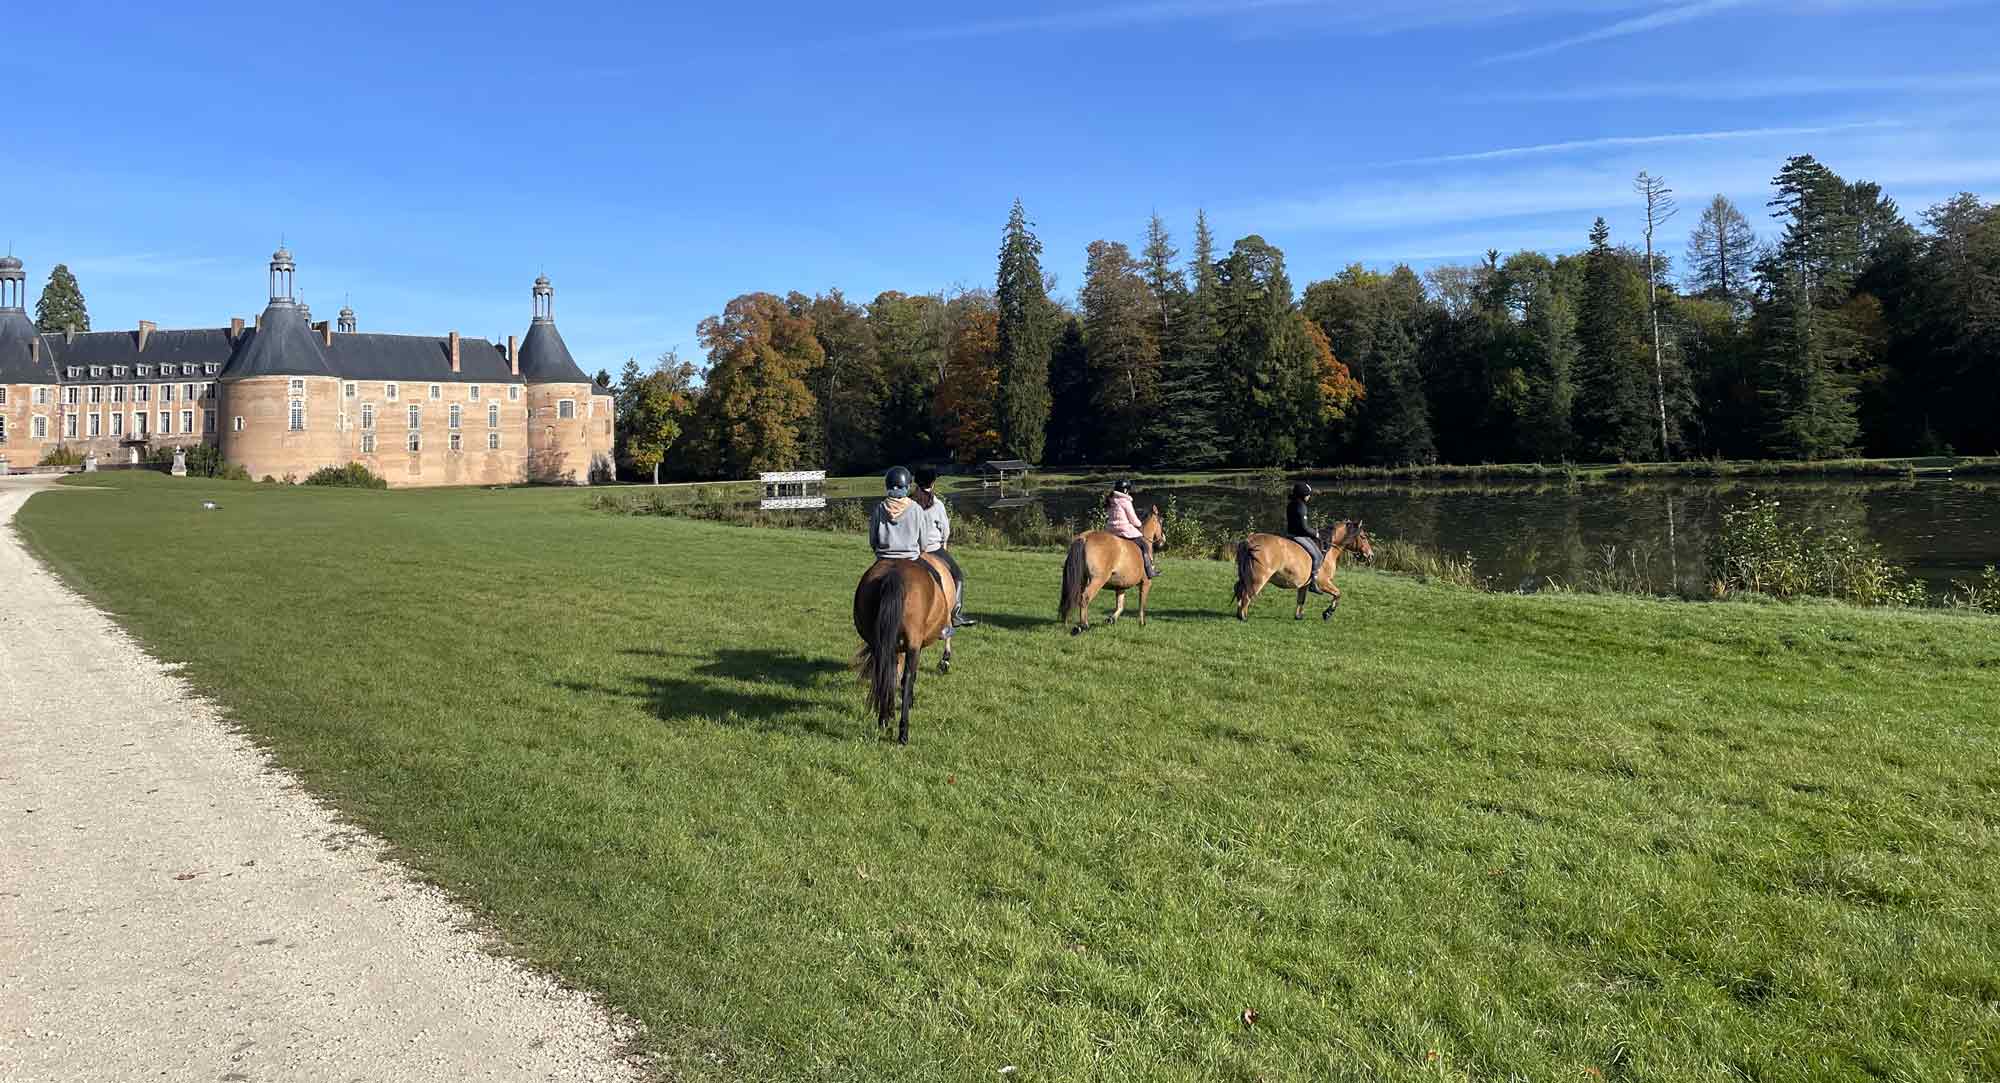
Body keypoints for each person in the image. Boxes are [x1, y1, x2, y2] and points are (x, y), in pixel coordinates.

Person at [912, 466, 974, 627]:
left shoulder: (909, 503)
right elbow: (945, 529)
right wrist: (944, 542)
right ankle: (956, 615)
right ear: (932, 483)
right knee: (958, 575)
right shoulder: (937, 504)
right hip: (933, 549)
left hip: (912, 550)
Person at [1104, 478, 1159, 578]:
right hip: (1123, 529)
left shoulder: (1110, 500)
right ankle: (1150, 571)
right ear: (1125, 490)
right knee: (1144, 546)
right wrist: (1139, 524)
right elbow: (1133, 519)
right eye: (1128, 490)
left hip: (1110, 530)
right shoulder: (1125, 501)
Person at [869, 466, 926, 560]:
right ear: (907, 486)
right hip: (911, 557)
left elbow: (873, 541)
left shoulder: (879, 509)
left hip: (884, 557)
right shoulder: (916, 509)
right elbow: (923, 543)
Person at [1286, 480, 1328, 593]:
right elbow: (1304, 528)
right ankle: (1313, 583)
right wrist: (1316, 533)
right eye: (1308, 494)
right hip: (1299, 537)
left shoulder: (1292, 504)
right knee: (1318, 556)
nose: (1309, 496)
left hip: (1290, 534)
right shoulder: (1301, 507)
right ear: (1303, 495)